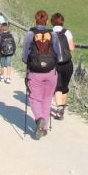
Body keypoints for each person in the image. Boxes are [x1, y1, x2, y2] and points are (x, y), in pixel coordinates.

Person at [21, 10, 62, 139]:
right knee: (47, 99)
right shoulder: (53, 34)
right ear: (46, 20)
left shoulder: (30, 34)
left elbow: (24, 54)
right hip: (51, 72)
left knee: (35, 98)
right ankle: (44, 128)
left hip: (35, 72)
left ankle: (39, 120)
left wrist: (28, 61)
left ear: (35, 19)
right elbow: (59, 54)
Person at [50, 13, 75, 120]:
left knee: (57, 88)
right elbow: (72, 48)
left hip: (55, 64)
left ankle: (59, 109)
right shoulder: (67, 32)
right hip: (67, 64)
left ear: (52, 22)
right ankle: (62, 109)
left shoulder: (50, 33)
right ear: (62, 21)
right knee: (64, 87)